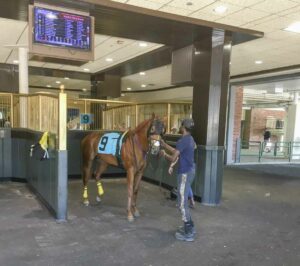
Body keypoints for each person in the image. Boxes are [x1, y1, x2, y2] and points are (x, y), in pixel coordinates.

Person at [160, 118, 196, 242]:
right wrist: (165, 145)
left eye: (181, 126)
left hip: (185, 173)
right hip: (190, 171)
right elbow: (178, 151)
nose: (180, 128)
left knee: (181, 202)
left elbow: (173, 157)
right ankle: (190, 225)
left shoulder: (182, 140)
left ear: (183, 128)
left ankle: (188, 232)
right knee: (183, 201)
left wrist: (164, 154)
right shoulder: (190, 139)